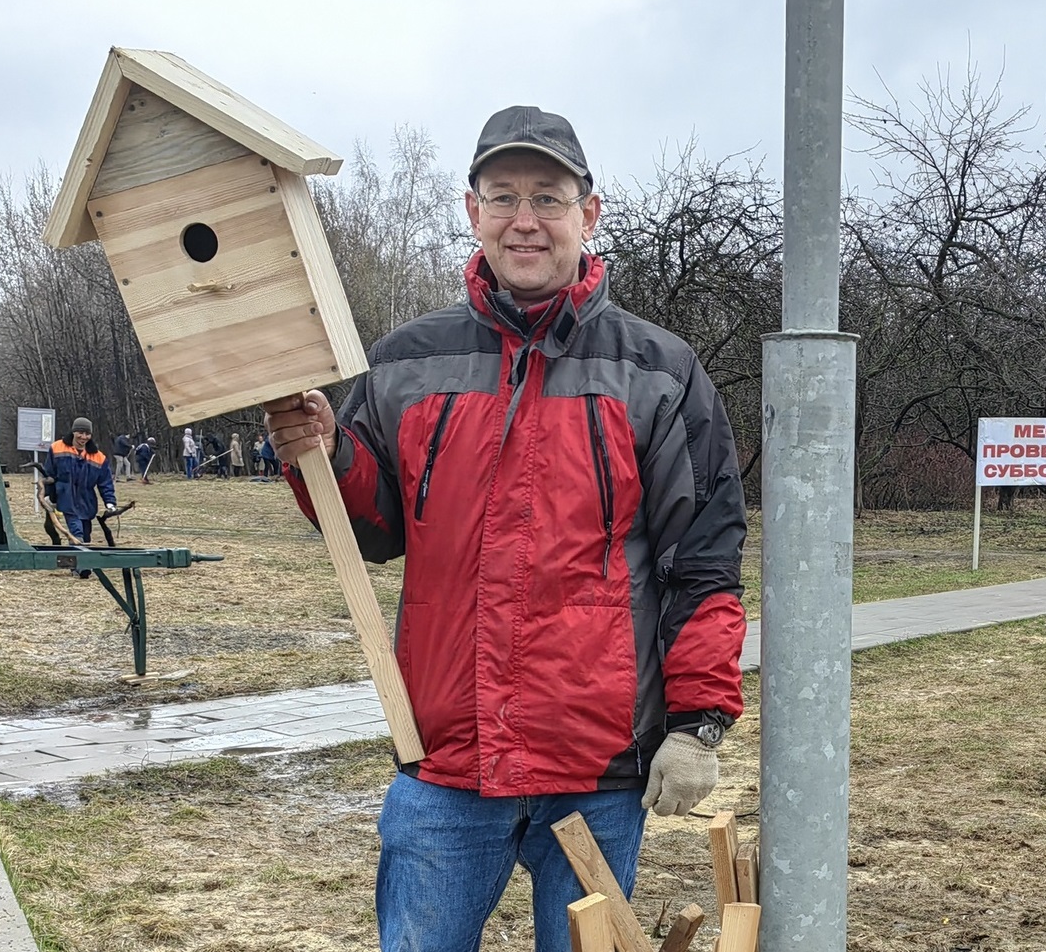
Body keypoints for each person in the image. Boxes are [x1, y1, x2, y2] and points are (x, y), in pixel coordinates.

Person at [263, 106, 747, 952]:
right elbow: (372, 527)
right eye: (504, 196)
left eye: (549, 198)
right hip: (446, 761)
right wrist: (327, 451)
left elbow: (701, 562)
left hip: (597, 768)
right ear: (472, 209)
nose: (525, 220)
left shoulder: (658, 372)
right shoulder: (406, 362)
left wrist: (696, 719)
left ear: (588, 214)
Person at [44, 417, 116, 545]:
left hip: (86, 502)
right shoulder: (56, 448)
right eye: (80, 433)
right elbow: (49, 474)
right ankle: (78, 548)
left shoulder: (99, 457)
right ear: (73, 432)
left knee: (86, 535)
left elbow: (105, 483)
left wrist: (110, 502)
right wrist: (49, 496)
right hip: (65, 497)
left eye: (87, 433)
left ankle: (81, 562)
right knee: (77, 533)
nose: (84, 437)